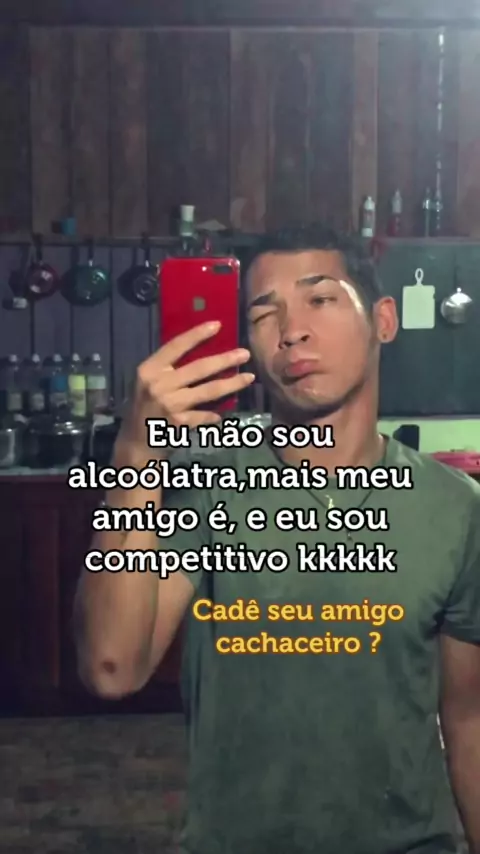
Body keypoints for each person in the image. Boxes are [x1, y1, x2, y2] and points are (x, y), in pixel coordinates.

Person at [74, 224, 480, 854]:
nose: (292, 330)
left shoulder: (454, 507)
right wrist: (134, 454)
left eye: (320, 298)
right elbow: (111, 669)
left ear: (383, 320)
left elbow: (468, 718)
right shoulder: (208, 487)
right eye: (265, 314)